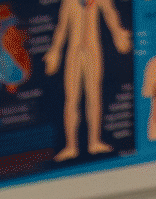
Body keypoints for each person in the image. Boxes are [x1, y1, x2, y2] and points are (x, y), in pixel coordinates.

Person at [46, 0, 130, 160]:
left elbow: (110, 13)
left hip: (92, 49)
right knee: (71, 98)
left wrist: (118, 34)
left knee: (94, 96)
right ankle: (71, 146)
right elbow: (62, 27)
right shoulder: (69, 2)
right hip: (75, 51)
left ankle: (94, 141)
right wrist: (55, 52)